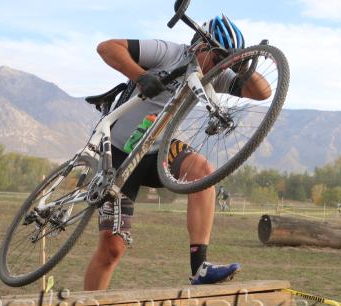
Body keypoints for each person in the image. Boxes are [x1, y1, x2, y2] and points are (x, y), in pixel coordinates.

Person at [84, 15, 271, 290]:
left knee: (203, 172)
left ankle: (200, 269)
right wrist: (140, 76)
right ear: (199, 45)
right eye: (217, 54)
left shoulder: (213, 76)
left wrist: (243, 66)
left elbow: (262, 92)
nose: (221, 63)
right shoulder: (168, 52)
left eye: (226, 58)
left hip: (159, 151)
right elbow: (107, 47)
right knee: (112, 249)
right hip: (119, 152)